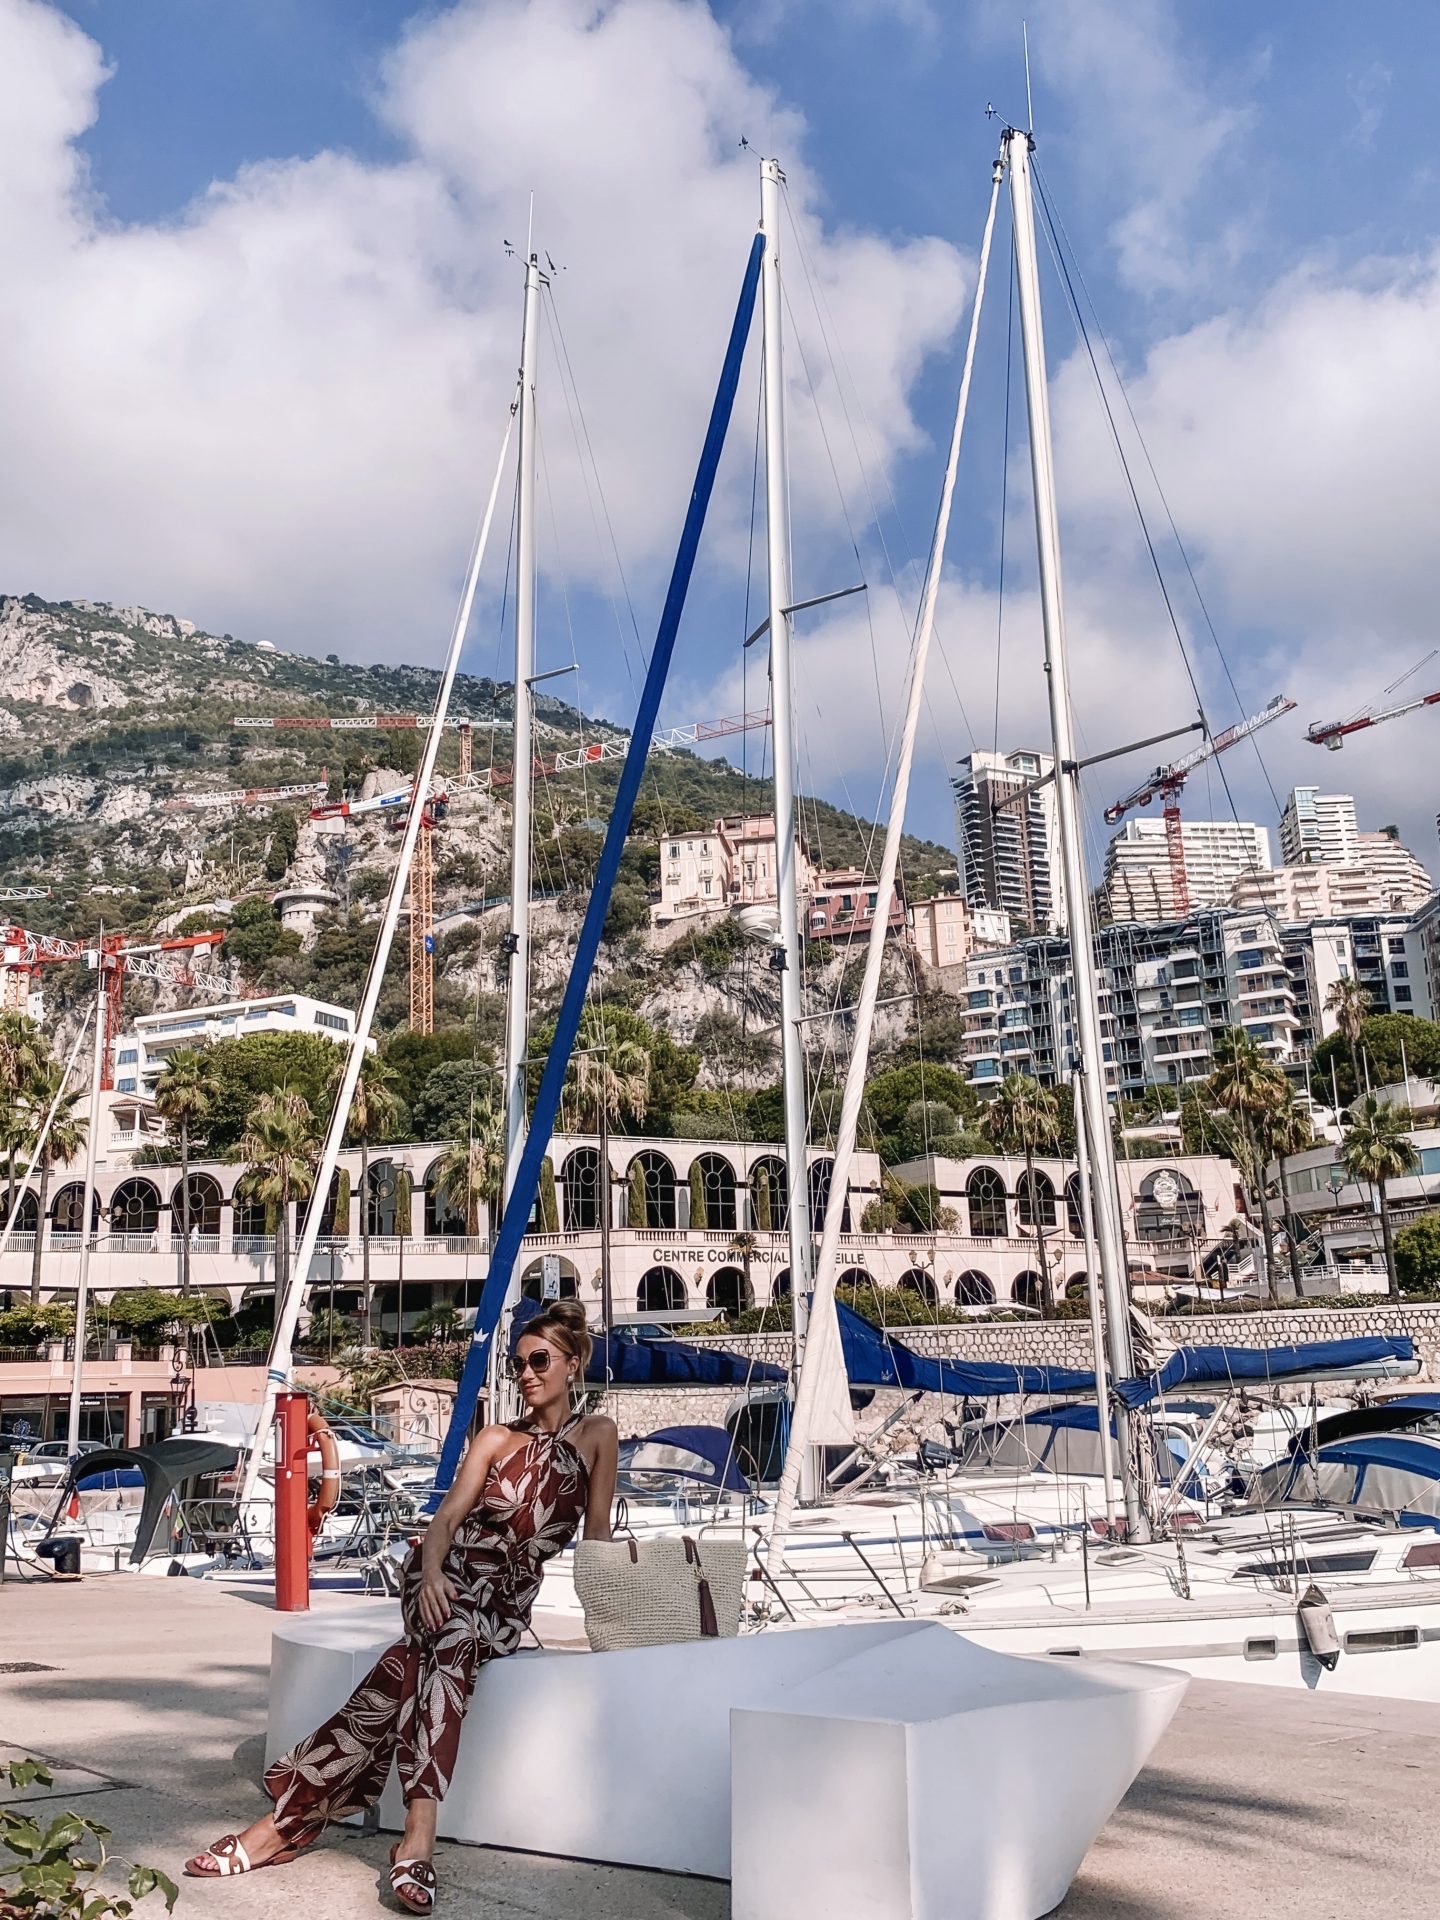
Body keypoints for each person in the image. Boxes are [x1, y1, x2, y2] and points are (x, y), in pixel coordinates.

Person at [185, 1299, 617, 1912]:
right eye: (517, 1363)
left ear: (573, 1365)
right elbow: (444, 1521)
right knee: (451, 1637)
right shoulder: (496, 1437)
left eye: (539, 1360)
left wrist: (611, 1613)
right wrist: (434, 1573)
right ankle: (416, 1843)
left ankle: (286, 1821)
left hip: (505, 1599)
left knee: (416, 1663)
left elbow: (596, 1534)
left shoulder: (599, 1436)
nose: (525, 1374)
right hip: (445, 1579)